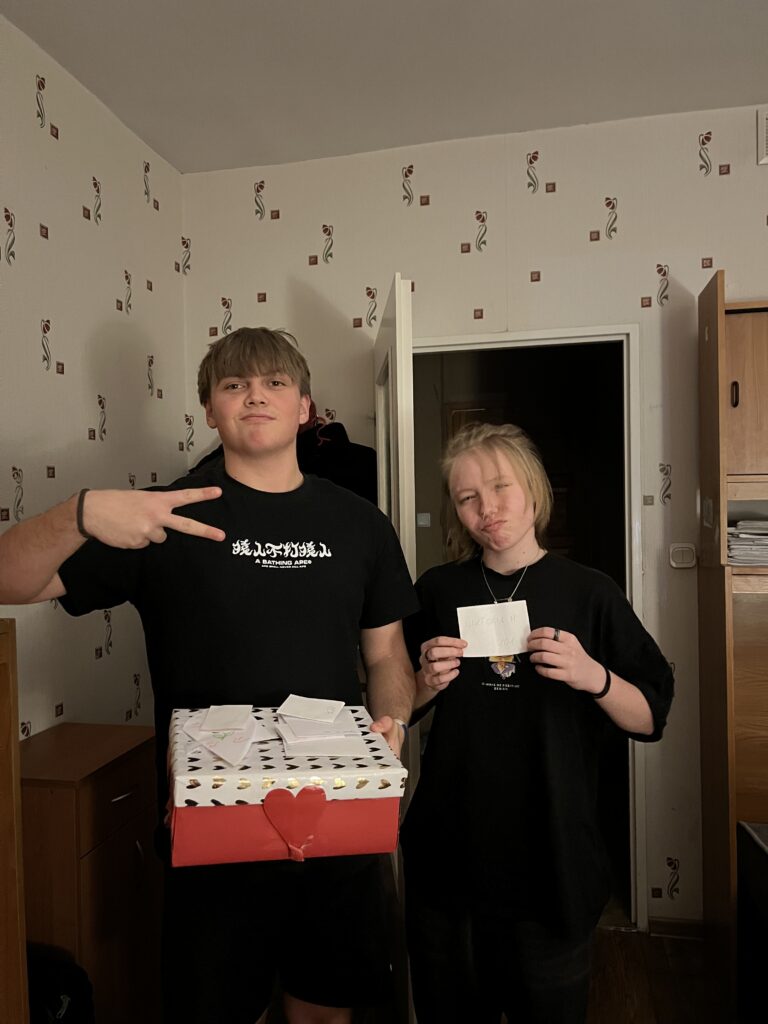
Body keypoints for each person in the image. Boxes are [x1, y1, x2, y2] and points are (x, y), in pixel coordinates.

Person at [0, 327, 418, 1024]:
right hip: (213, 829)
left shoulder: (361, 523)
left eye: (274, 382)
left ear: (305, 407)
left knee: (324, 1011)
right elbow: (9, 580)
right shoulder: (160, 515)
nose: (255, 395)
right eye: (234, 384)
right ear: (209, 410)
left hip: (334, 817)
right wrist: (80, 513)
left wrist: (394, 719)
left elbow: (386, 656)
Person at [401, 422, 674, 1024]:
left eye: (501, 487)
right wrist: (424, 681)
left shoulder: (591, 593)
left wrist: (592, 675)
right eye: (467, 497)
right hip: (449, 857)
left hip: (553, 858)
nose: (487, 509)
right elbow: (396, 709)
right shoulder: (437, 589)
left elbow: (651, 716)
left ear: (534, 489)